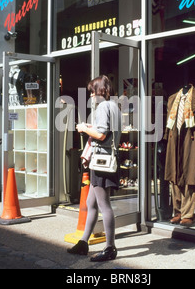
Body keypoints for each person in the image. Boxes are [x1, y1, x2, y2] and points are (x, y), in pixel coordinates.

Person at [67, 75, 121, 262]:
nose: (90, 95)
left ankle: (110, 247)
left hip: (101, 162)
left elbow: (100, 134)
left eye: (92, 91)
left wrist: (83, 128)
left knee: (104, 205)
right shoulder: (114, 106)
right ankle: (83, 242)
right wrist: (91, 127)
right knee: (91, 203)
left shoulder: (103, 106)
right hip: (106, 160)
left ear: (101, 91)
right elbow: (106, 132)